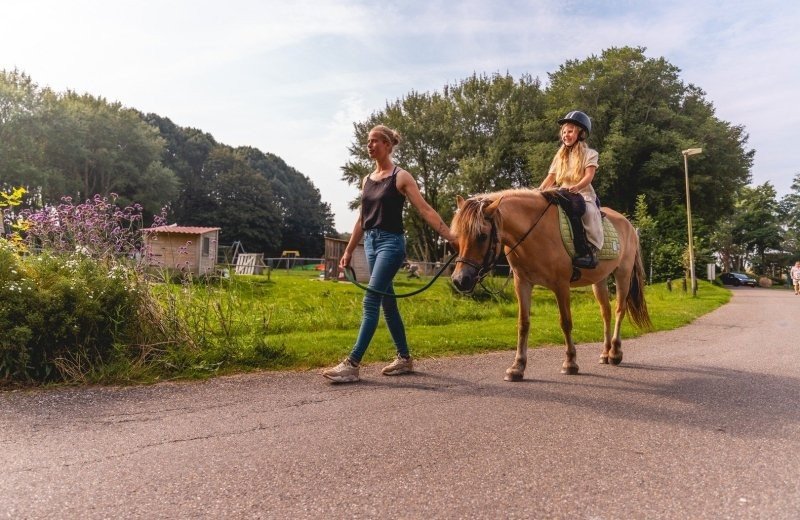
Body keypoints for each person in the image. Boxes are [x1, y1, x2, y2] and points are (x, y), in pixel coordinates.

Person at [322, 124, 456, 383]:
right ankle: (404, 358)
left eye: (374, 141)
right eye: (368, 141)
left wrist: (451, 236)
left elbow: (425, 210)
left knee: (370, 300)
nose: (369, 145)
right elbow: (362, 219)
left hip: (391, 244)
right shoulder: (367, 180)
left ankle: (352, 364)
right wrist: (348, 250)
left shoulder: (401, 177)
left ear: (387, 144)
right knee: (387, 302)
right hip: (371, 244)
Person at [538, 110, 602, 269]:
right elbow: (551, 178)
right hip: (563, 192)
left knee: (587, 212)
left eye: (571, 131)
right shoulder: (559, 156)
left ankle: (590, 250)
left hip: (582, 193)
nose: (566, 135)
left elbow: (589, 176)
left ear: (581, 134)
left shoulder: (590, 154)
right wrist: (538, 192)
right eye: (564, 132)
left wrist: (577, 186)